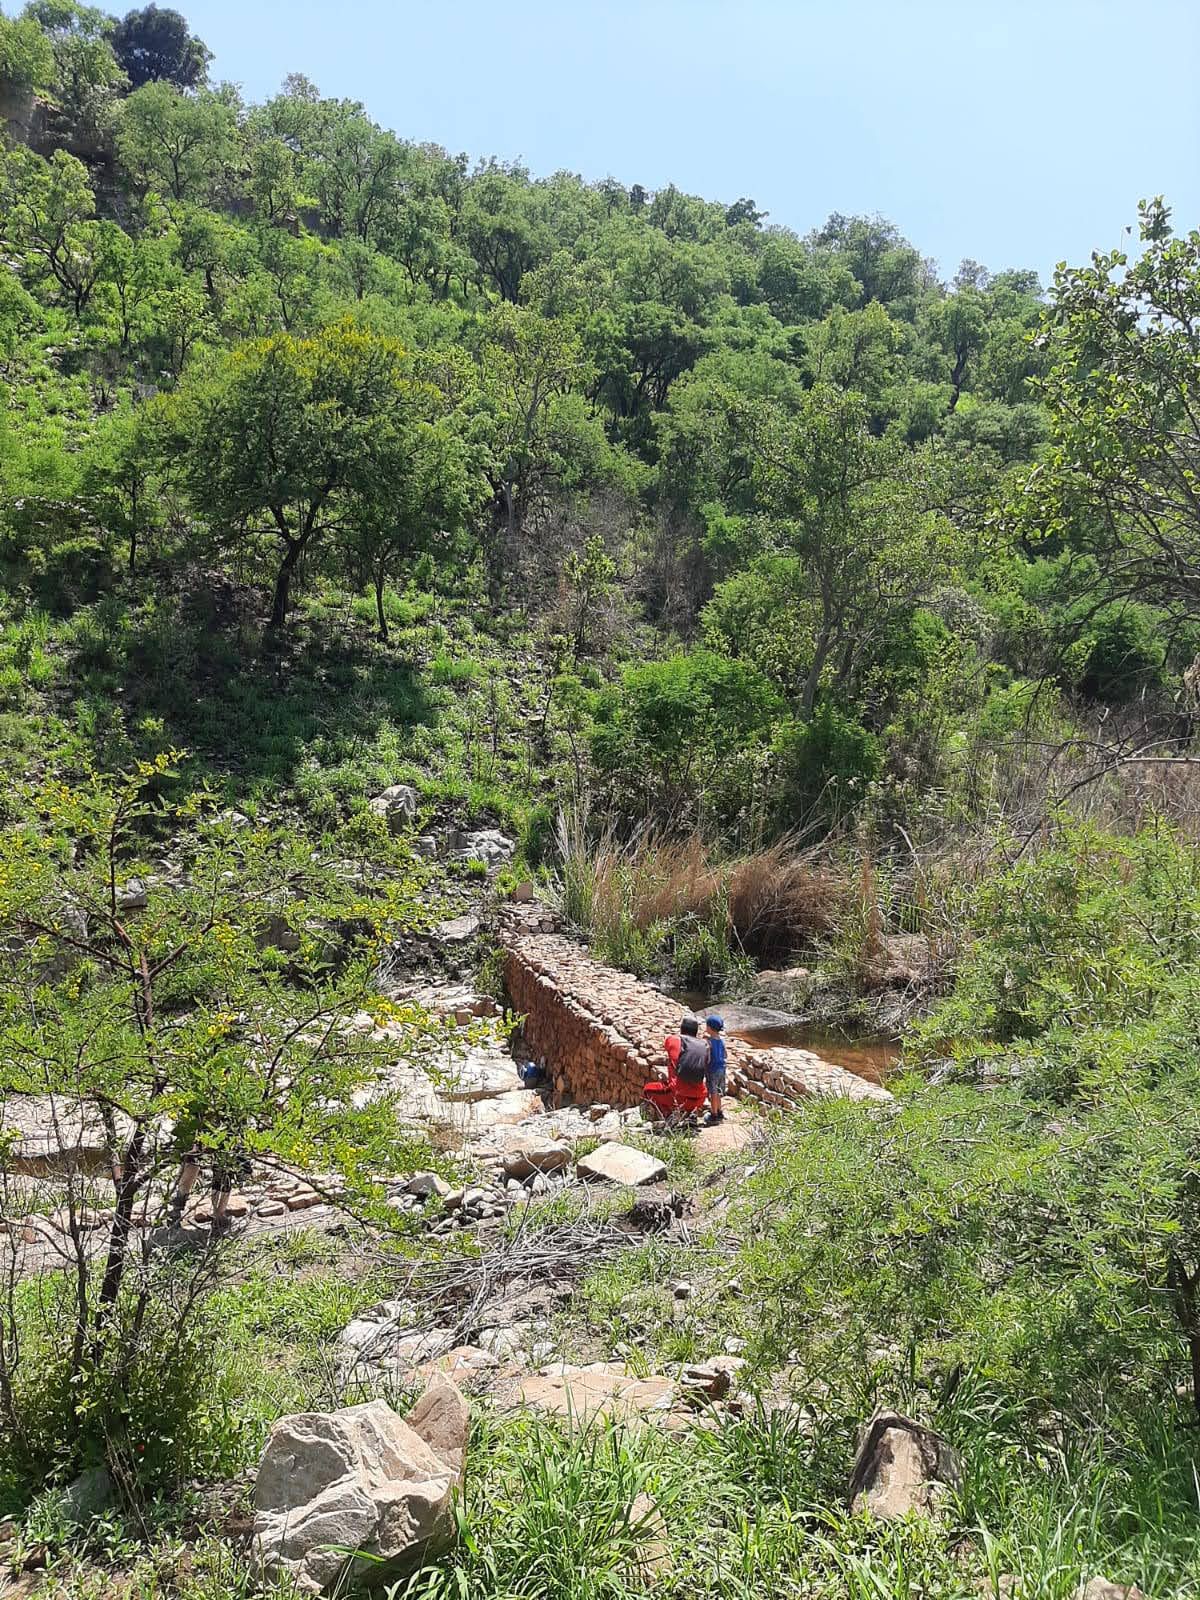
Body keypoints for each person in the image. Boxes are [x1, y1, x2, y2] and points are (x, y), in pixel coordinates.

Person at [704, 1014, 727, 1124]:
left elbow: (707, 1058)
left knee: (712, 1092)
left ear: (709, 1028)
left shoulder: (709, 1042)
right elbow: (725, 1055)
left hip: (712, 1069)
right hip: (722, 1069)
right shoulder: (722, 1041)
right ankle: (719, 1110)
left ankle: (713, 1114)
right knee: (718, 1091)